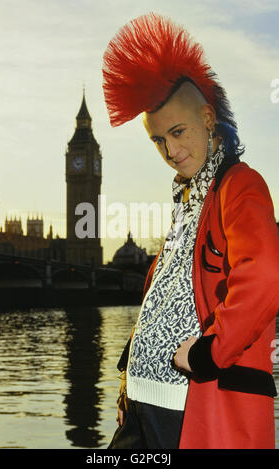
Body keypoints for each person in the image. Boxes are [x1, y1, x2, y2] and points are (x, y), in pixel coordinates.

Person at [102, 13, 279, 449]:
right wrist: (131, 368)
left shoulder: (240, 186)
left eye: (177, 132)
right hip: (143, 402)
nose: (171, 151)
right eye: (158, 140)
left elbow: (266, 275)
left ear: (206, 117)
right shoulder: (187, 199)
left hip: (189, 407)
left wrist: (209, 351)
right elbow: (163, 294)